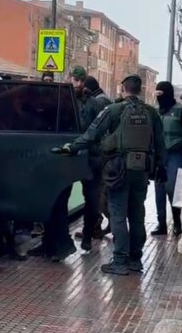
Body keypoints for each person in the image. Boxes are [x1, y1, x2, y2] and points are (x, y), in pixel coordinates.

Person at [60, 75, 167, 276]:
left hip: (118, 169)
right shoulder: (151, 113)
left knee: (118, 215)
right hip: (142, 169)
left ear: (122, 89)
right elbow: (160, 143)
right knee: (137, 214)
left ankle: (119, 261)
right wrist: (162, 167)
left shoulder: (114, 110)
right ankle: (136, 259)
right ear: (140, 90)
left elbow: (91, 134)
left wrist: (72, 147)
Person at [151, 81, 182, 237]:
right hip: (158, 155)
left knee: (171, 188)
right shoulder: (154, 111)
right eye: (156, 95)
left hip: (176, 153)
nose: (158, 98)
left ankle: (177, 221)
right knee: (159, 189)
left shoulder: (181, 111)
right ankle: (161, 224)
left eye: (161, 95)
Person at [75, 76, 112, 250]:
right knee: (90, 198)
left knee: (92, 198)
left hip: (89, 156)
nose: (75, 84)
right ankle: (87, 233)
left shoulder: (94, 104)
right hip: (86, 156)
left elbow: (96, 131)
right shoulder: (69, 100)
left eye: (77, 81)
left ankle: (89, 233)